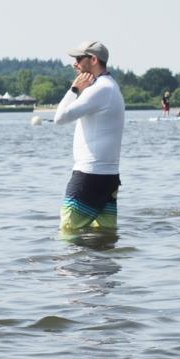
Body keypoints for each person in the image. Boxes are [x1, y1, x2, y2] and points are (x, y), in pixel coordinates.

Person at [53, 41, 125, 231]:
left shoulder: (100, 89)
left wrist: (74, 89)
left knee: (68, 233)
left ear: (93, 59)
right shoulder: (111, 86)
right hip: (108, 178)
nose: (74, 64)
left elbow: (60, 118)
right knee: (104, 238)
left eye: (78, 59)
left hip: (89, 176)